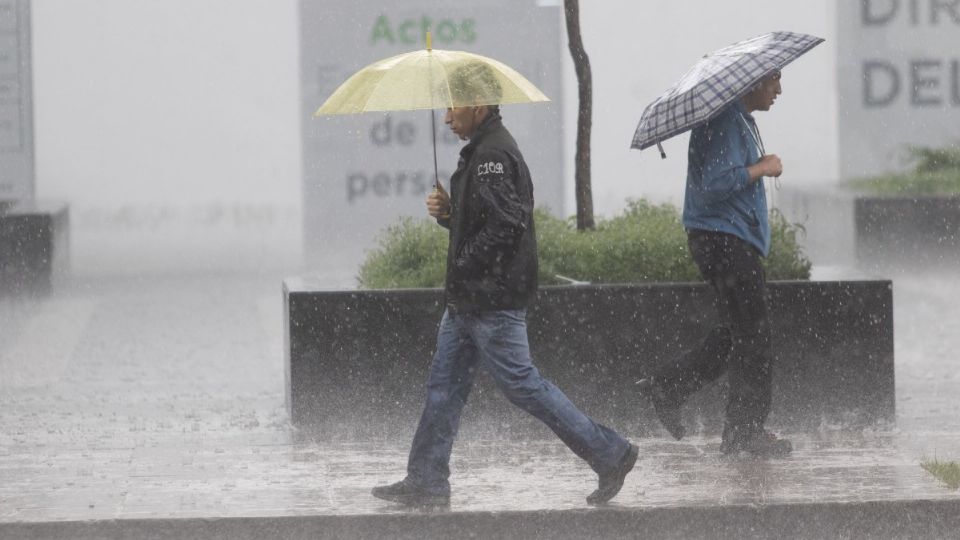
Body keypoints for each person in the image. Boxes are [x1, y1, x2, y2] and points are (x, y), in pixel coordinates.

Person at [372, 62, 638, 507]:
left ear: (478, 106)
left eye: (452, 107)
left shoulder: (492, 156)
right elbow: (490, 222)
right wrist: (450, 216)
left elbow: (508, 224)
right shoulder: (482, 150)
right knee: (444, 387)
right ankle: (426, 480)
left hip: (489, 301)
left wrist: (464, 262)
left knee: (524, 386)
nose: (445, 116)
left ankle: (610, 453)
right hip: (470, 301)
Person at [637, 71, 793, 457]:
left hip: (726, 240)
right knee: (753, 338)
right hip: (725, 241)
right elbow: (715, 184)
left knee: (735, 334)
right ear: (752, 82)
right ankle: (744, 432)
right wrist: (763, 168)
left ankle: (668, 387)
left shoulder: (737, 120)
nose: (779, 89)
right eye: (773, 80)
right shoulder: (724, 120)